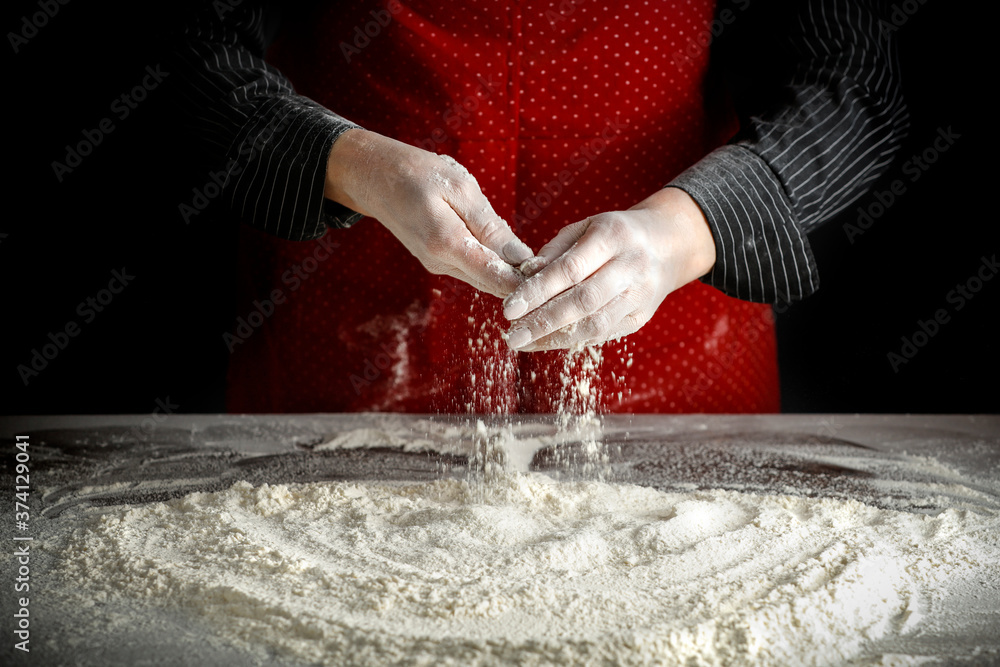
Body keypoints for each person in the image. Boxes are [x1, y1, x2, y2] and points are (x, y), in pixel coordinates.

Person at [168, 0, 907, 414]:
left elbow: (858, 83)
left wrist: (684, 230)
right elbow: (177, 44)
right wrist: (351, 163)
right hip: (355, 339)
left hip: (672, 342)